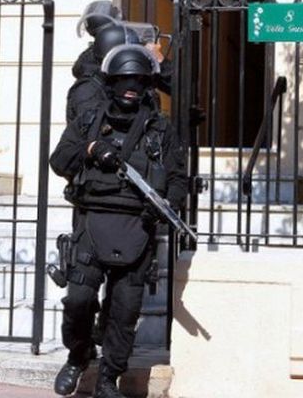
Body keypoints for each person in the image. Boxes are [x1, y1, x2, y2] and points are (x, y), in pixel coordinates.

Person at [50, 44, 188, 398]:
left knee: (124, 313)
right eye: (125, 79)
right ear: (111, 82)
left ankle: (109, 377)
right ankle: (78, 356)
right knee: (79, 300)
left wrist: (166, 204)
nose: (132, 87)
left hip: (138, 228)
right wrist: (92, 149)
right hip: (91, 222)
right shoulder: (89, 120)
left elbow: (177, 178)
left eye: (140, 81)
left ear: (148, 85)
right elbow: (60, 159)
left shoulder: (160, 130)